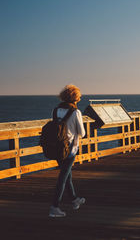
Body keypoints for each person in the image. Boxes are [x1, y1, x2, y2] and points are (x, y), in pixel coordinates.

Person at [49, 84, 86, 218]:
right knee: (63, 177)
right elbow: (82, 133)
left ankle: (74, 199)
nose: (80, 98)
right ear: (75, 98)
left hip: (57, 148)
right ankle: (54, 207)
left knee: (67, 174)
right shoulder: (76, 112)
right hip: (70, 149)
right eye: (79, 96)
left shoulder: (56, 110)